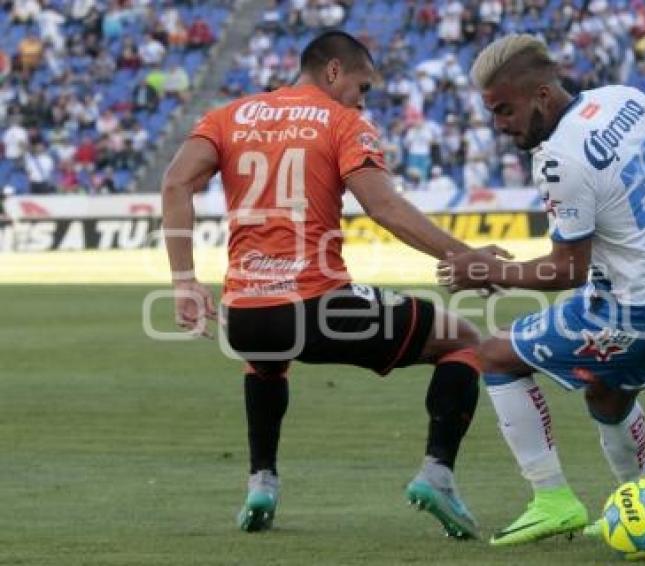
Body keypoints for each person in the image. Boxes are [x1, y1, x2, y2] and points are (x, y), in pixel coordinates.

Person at [161, 31, 507, 539]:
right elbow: (383, 206)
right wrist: (465, 257)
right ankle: (438, 474)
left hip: (245, 315)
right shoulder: (344, 123)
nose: (362, 100)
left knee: (266, 360)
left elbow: (175, 182)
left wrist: (184, 280)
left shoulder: (227, 116)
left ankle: (262, 483)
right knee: (464, 343)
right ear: (333, 73)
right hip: (318, 306)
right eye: (361, 86)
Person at [439, 34, 645, 546]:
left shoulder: (559, 161)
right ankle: (643, 504)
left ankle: (551, 498)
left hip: (630, 312)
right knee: (607, 397)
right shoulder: (623, 99)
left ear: (542, 95)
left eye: (505, 110)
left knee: (496, 354)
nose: (499, 126)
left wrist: (488, 273)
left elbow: (566, 269)